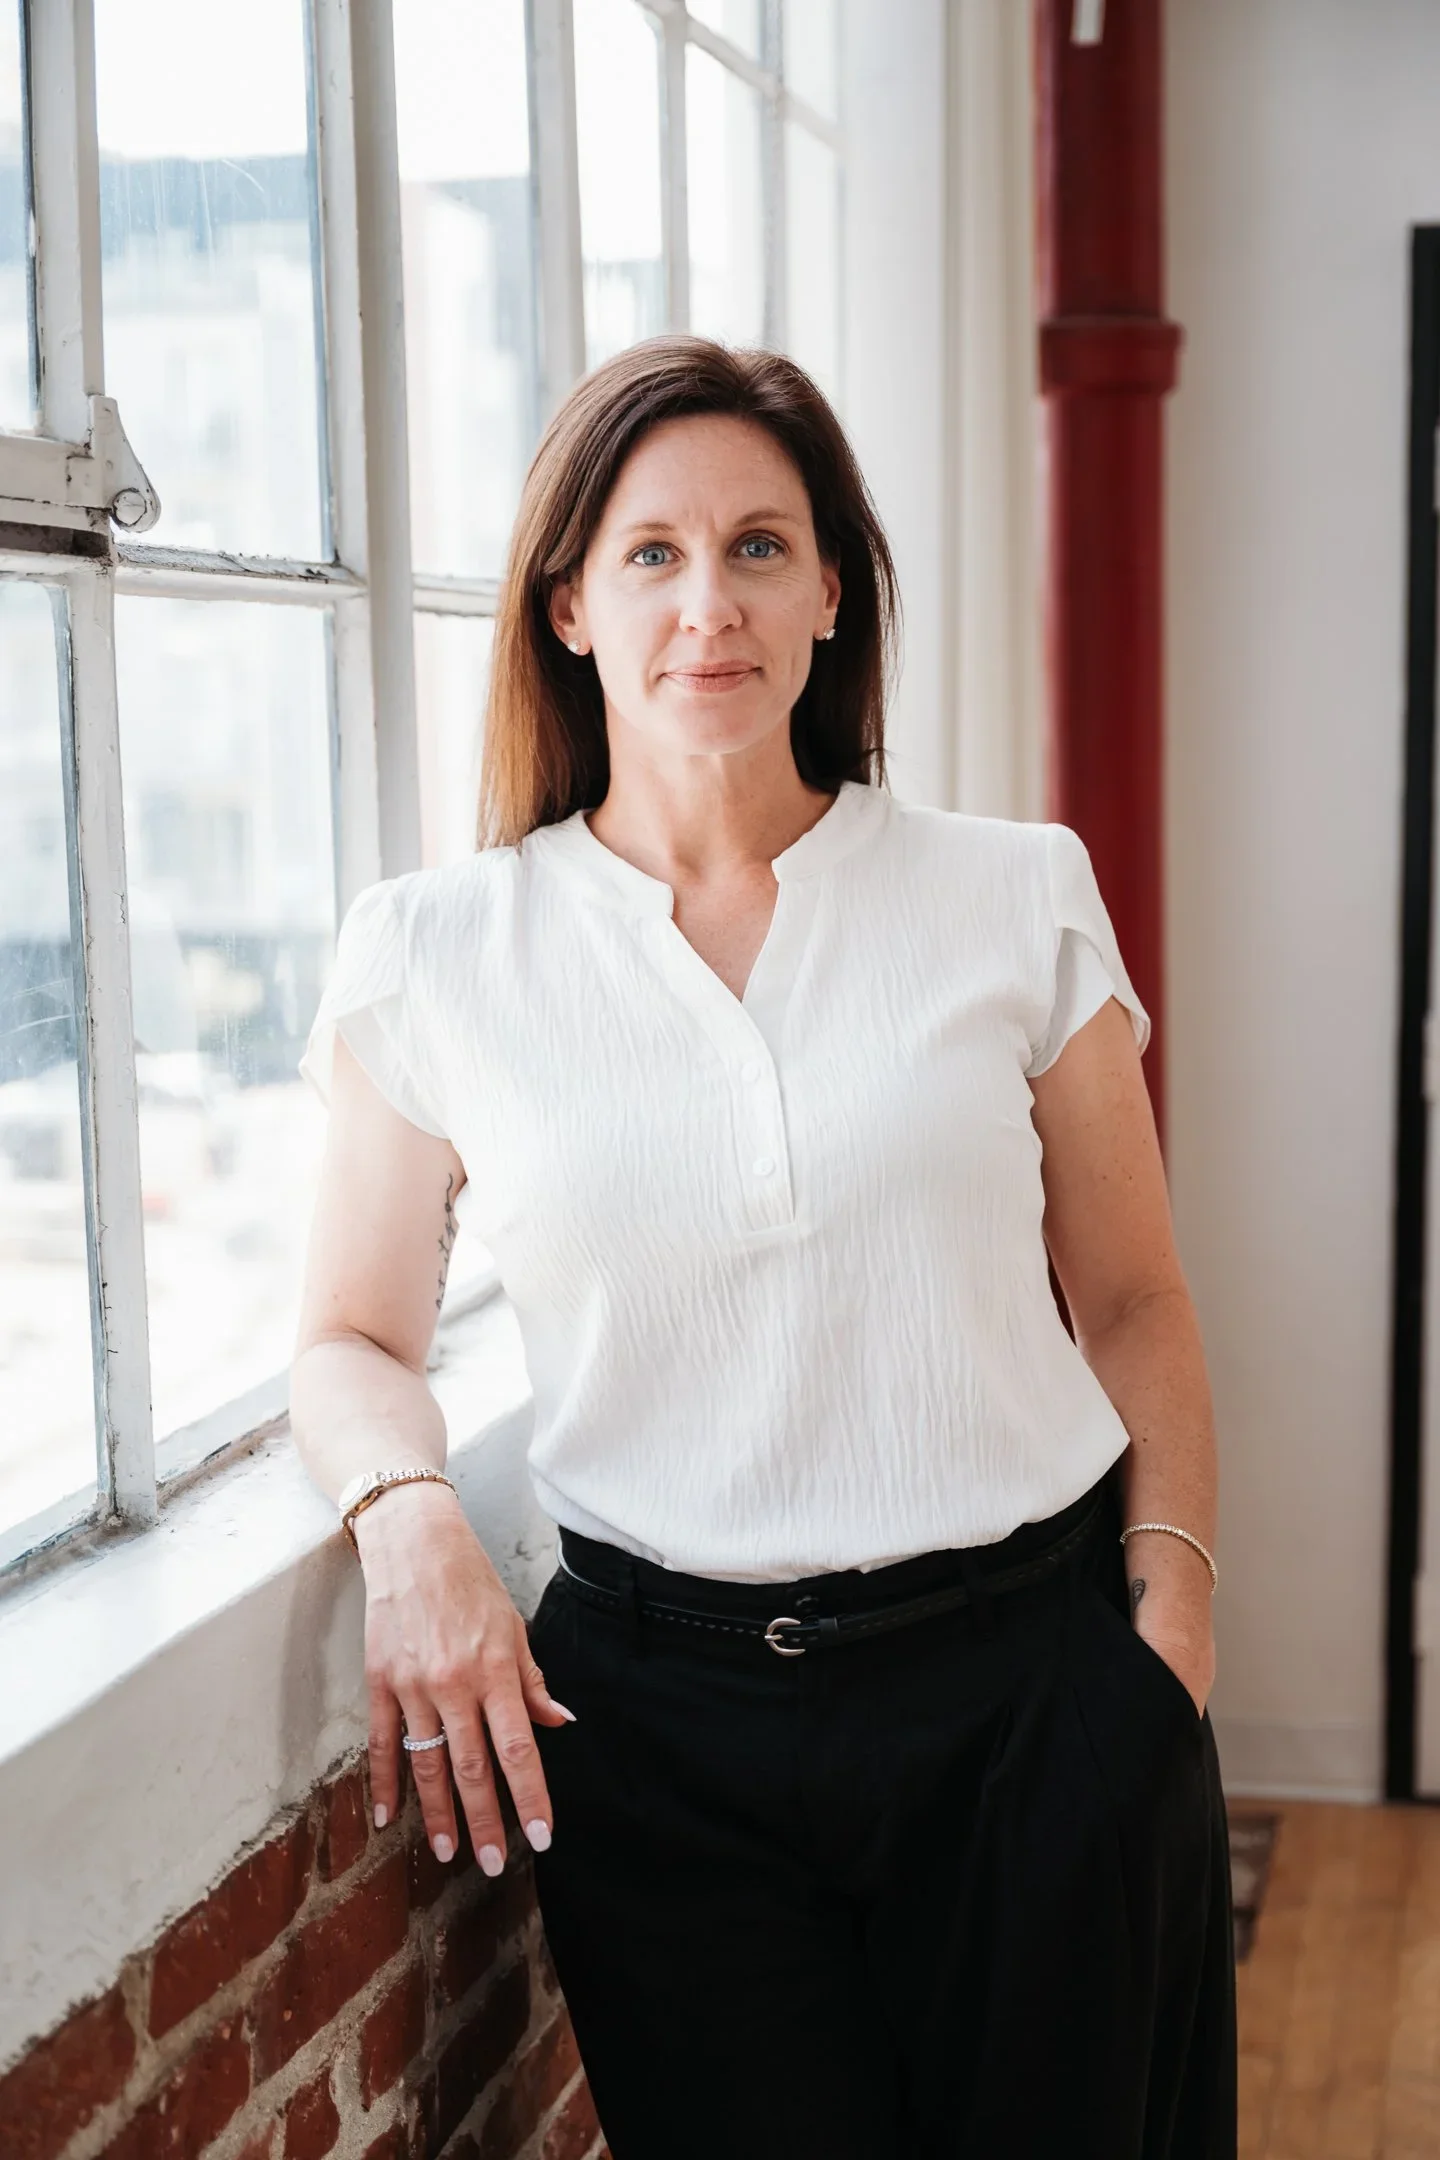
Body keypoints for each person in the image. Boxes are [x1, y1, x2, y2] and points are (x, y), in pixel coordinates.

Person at [290, 334, 1236, 2159]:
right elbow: (345, 1336)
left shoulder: (1010, 891)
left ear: (827, 599)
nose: (703, 602)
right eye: (649, 552)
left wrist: (1169, 1627)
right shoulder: (434, 952)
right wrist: (406, 1519)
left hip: (1035, 1704)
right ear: (567, 606)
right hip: (661, 1748)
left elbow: (1133, 1296)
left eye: (757, 547)